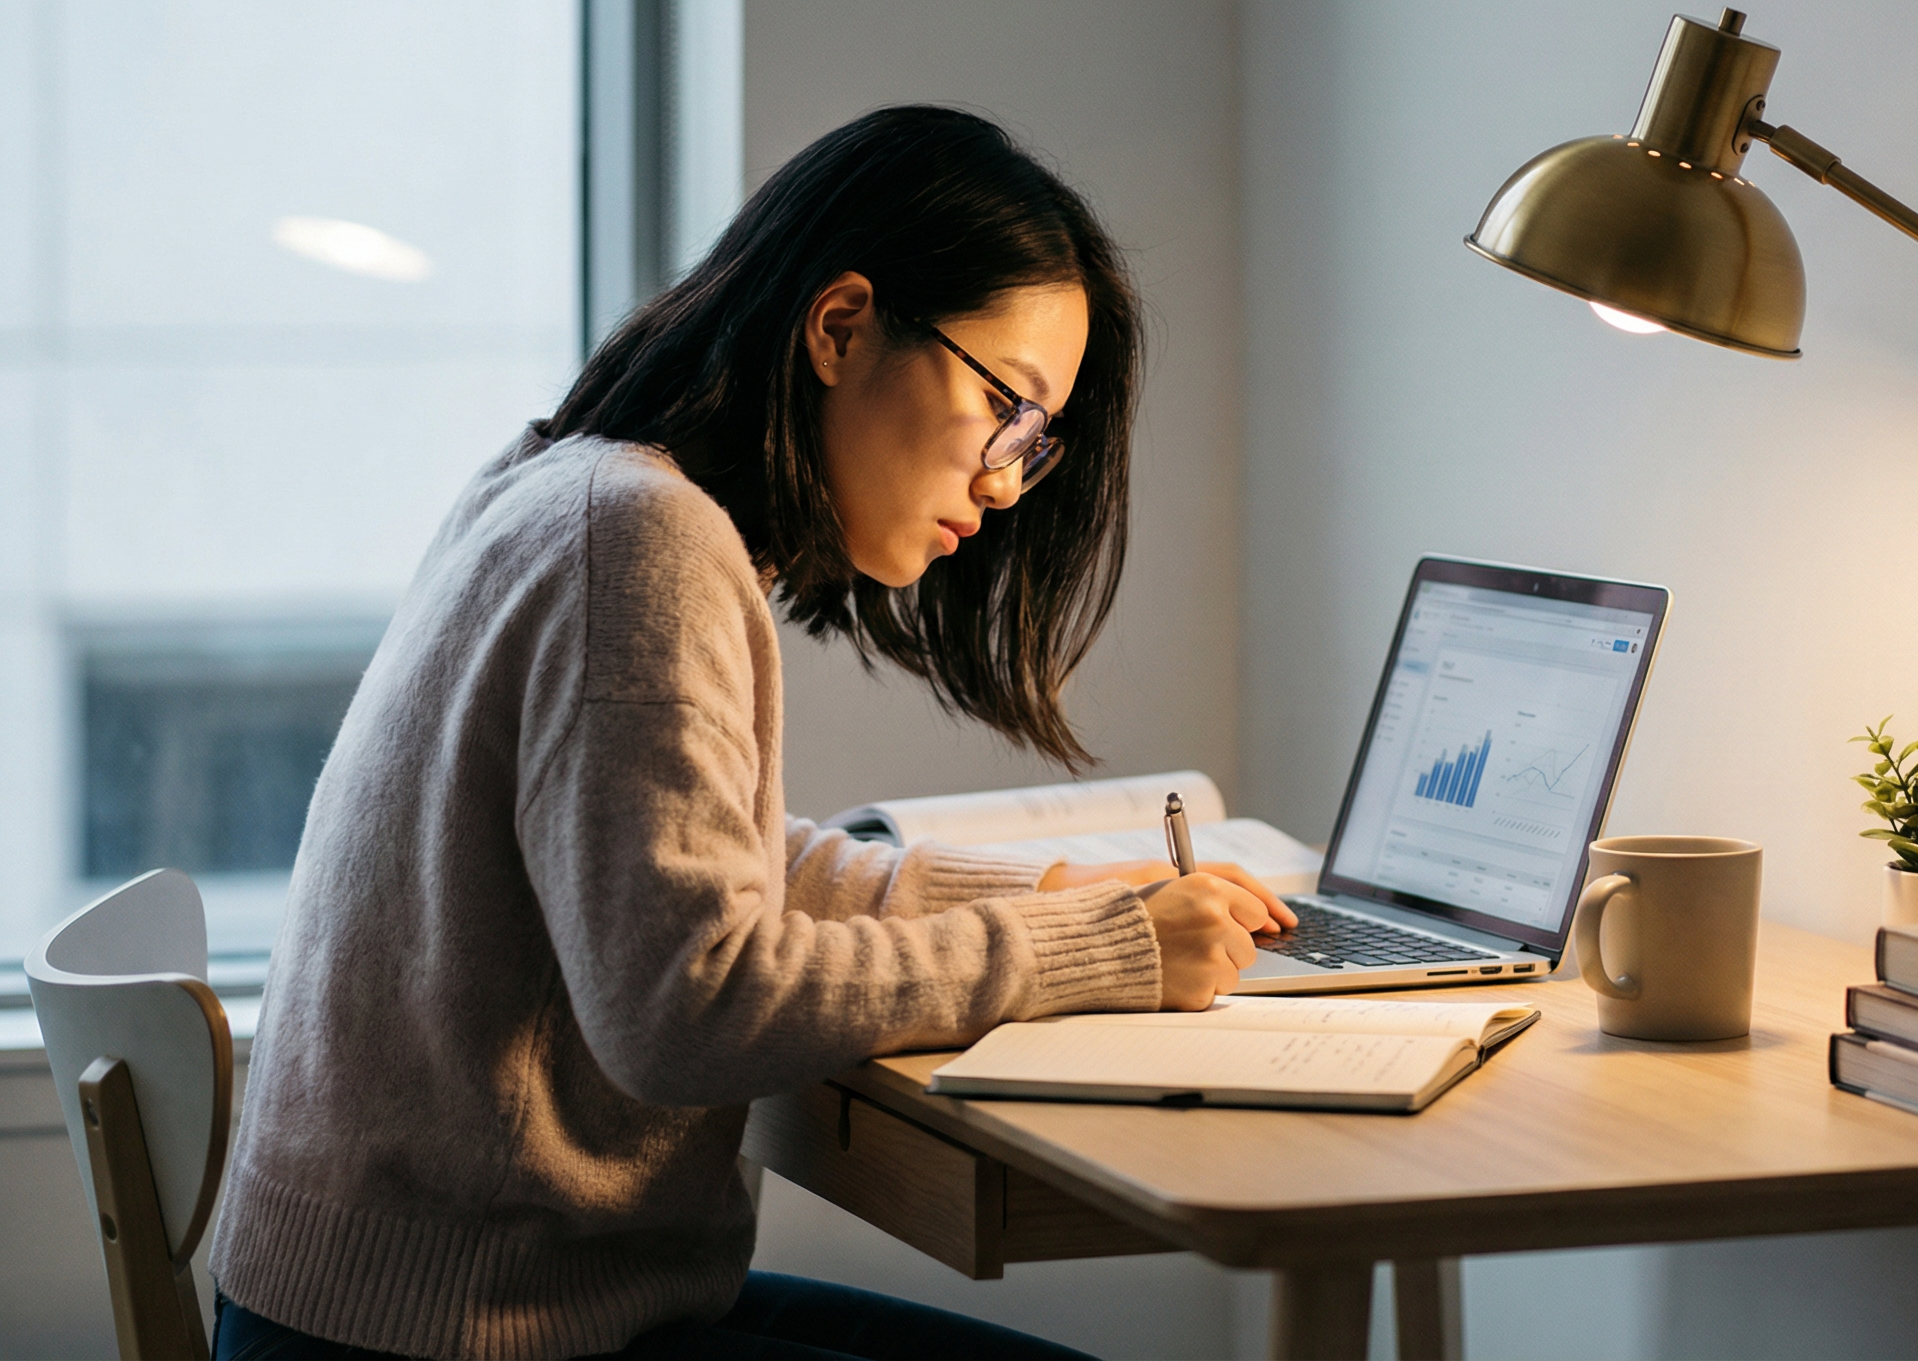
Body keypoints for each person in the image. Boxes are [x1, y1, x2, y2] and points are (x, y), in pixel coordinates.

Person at [208, 108, 1293, 1361]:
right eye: (1006, 404)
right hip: (459, 1330)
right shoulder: (642, 541)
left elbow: (700, 871)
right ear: (841, 327)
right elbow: (691, 1002)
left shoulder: (562, 482)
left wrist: (1045, 892)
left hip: (404, 1304)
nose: (1005, 480)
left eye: (1034, 440)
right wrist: (1096, 948)